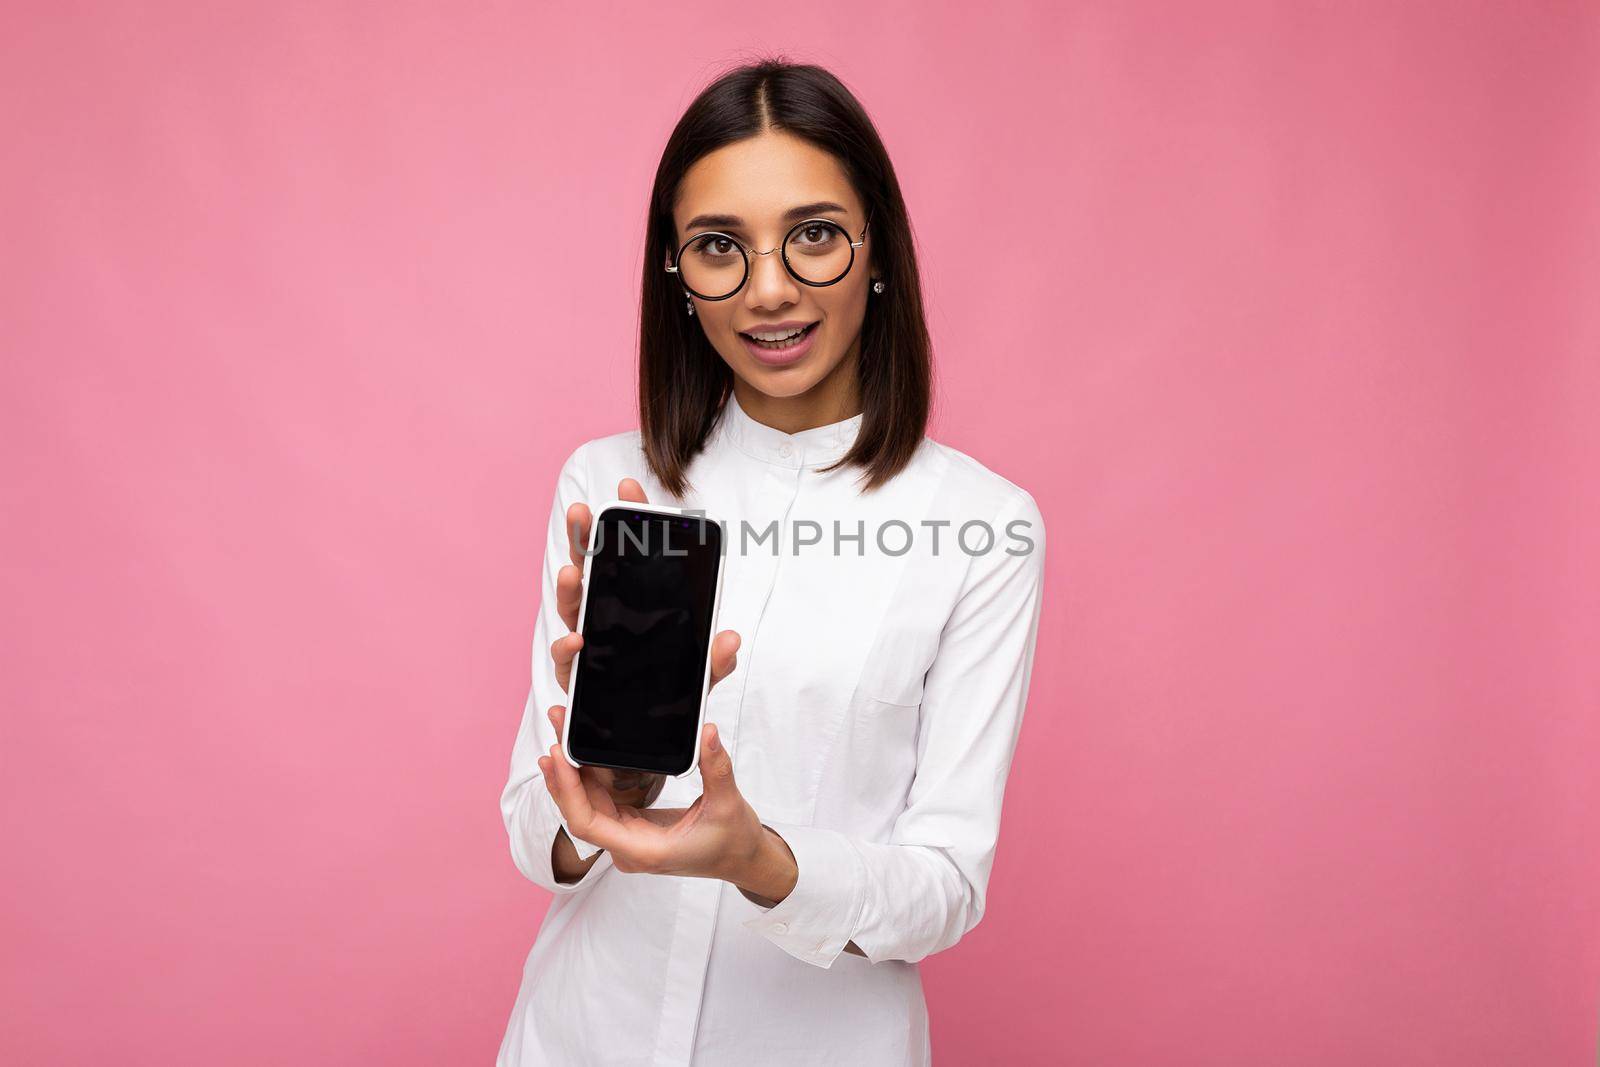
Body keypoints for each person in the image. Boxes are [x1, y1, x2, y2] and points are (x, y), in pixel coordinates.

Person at [496, 58, 1048, 1067]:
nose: (771, 289)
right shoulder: (610, 483)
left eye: (815, 235)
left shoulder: (983, 525)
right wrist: (595, 791)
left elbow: (944, 886)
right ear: (677, 273)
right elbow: (535, 833)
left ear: (877, 248)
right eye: (719, 246)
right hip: (578, 1034)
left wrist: (765, 861)